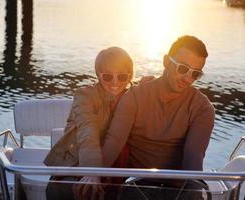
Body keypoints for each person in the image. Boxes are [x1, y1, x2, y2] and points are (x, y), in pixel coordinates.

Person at [98, 35, 215, 199]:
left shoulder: (202, 108)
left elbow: (193, 156)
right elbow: (114, 142)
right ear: (166, 61)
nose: (187, 78)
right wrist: (92, 175)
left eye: (195, 74)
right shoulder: (134, 97)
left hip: (176, 189)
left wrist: (193, 193)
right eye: (182, 68)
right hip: (135, 185)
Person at [43, 46, 135, 200]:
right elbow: (88, 133)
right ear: (98, 75)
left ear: (130, 76)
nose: (115, 82)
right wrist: (92, 172)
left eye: (122, 76)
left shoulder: (134, 95)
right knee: (69, 190)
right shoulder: (85, 96)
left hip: (119, 165)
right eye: (107, 77)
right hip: (79, 162)